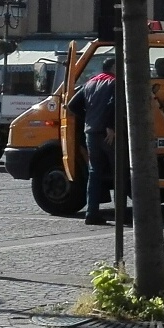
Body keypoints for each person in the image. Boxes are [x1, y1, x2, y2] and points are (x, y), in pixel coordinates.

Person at [67, 57, 117, 225]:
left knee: (94, 173)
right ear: (113, 67)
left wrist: (88, 118)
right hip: (109, 134)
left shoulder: (89, 83)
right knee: (119, 172)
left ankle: (91, 213)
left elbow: (72, 105)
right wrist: (110, 125)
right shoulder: (114, 82)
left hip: (91, 133)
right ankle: (121, 213)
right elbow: (113, 104)